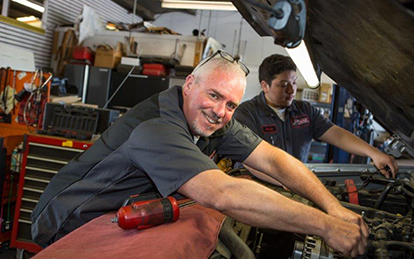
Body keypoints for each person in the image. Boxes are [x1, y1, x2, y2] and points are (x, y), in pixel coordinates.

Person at [32, 50, 368, 257]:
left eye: (231, 104)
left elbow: (272, 159)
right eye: (214, 95)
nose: (220, 111)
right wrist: (325, 227)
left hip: (119, 217)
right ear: (189, 84)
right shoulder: (155, 126)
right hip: (70, 223)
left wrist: (332, 206)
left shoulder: (216, 121)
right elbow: (223, 193)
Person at [234, 54, 398, 180]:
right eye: (283, 85)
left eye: (294, 82)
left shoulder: (304, 111)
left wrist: (374, 153)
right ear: (265, 86)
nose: (291, 91)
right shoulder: (246, 114)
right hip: (259, 188)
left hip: (296, 184)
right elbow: (250, 160)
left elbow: (337, 135)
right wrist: (286, 183)